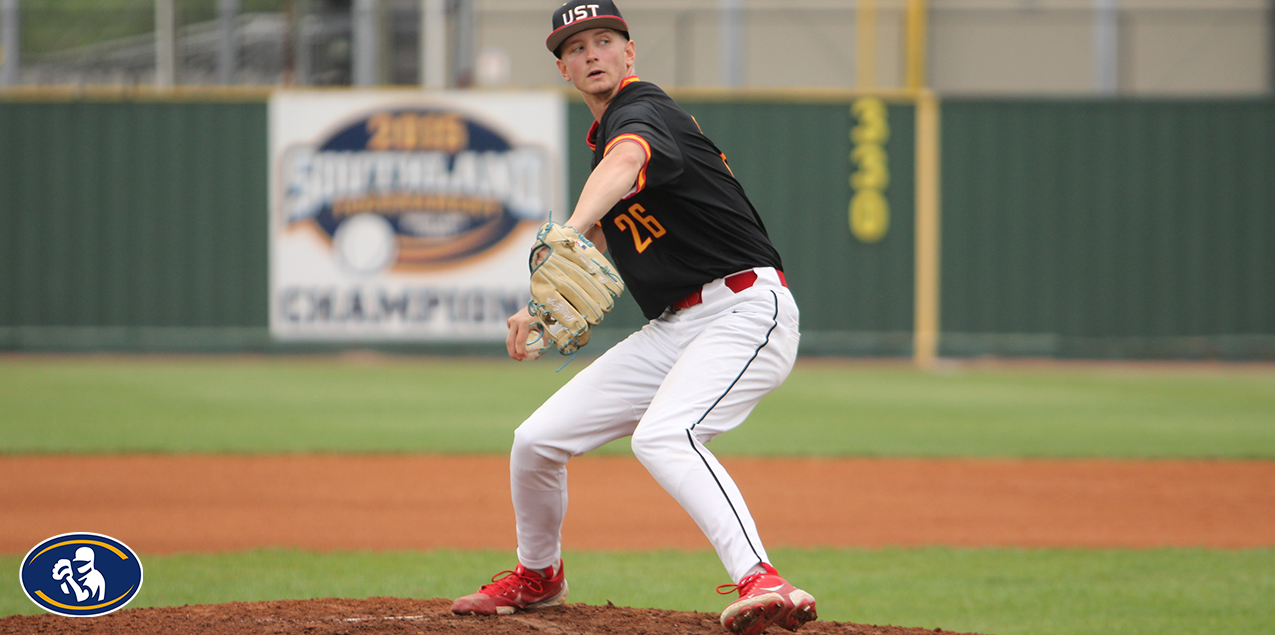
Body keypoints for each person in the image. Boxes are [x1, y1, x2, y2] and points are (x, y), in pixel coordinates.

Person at [450, 2, 816, 634]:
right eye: (575, 48)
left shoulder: (644, 111)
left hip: (746, 309)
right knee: (536, 442)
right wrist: (540, 306)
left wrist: (564, 232)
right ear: (563, 69)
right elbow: (606, 192)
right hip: (677, 326)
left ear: (629, 53)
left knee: (665, 435)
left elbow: (625, 163)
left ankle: (763, 578)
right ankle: (539, 575)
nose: (591, 53)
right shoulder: (610, 144)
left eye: (603, 40)